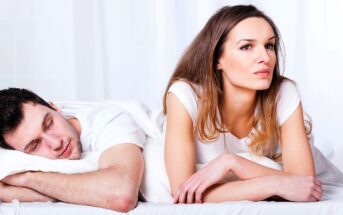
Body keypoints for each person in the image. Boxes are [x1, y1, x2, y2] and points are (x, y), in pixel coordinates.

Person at [162, 4, 343, 204]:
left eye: (269, 46)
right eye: (246, 47)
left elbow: (305, 186)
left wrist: (233, 163)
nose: (265, 58)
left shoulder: (284, 93)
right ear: (217, 59)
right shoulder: (185, 96)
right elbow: (183, 191)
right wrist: (272, 184)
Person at [0, 88, 145, 212]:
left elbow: (120, 195)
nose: (56, 143)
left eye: (49, 123)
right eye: (35, 145)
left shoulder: (108, 120)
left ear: (55, 108)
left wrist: (26, 178)